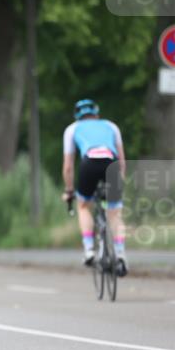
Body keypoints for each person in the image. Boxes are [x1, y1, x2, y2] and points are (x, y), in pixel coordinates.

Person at [61, 98, 127, 275]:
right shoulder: (111, 126)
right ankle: (120, 255)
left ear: (77, 116)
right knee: (114, 212)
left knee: (83, 206)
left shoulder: (72, 129)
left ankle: (89, 250)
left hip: (89, 164)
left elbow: (68, 167)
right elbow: (121, 161)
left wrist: (69, 191)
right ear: (97, 114)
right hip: (111, 163)